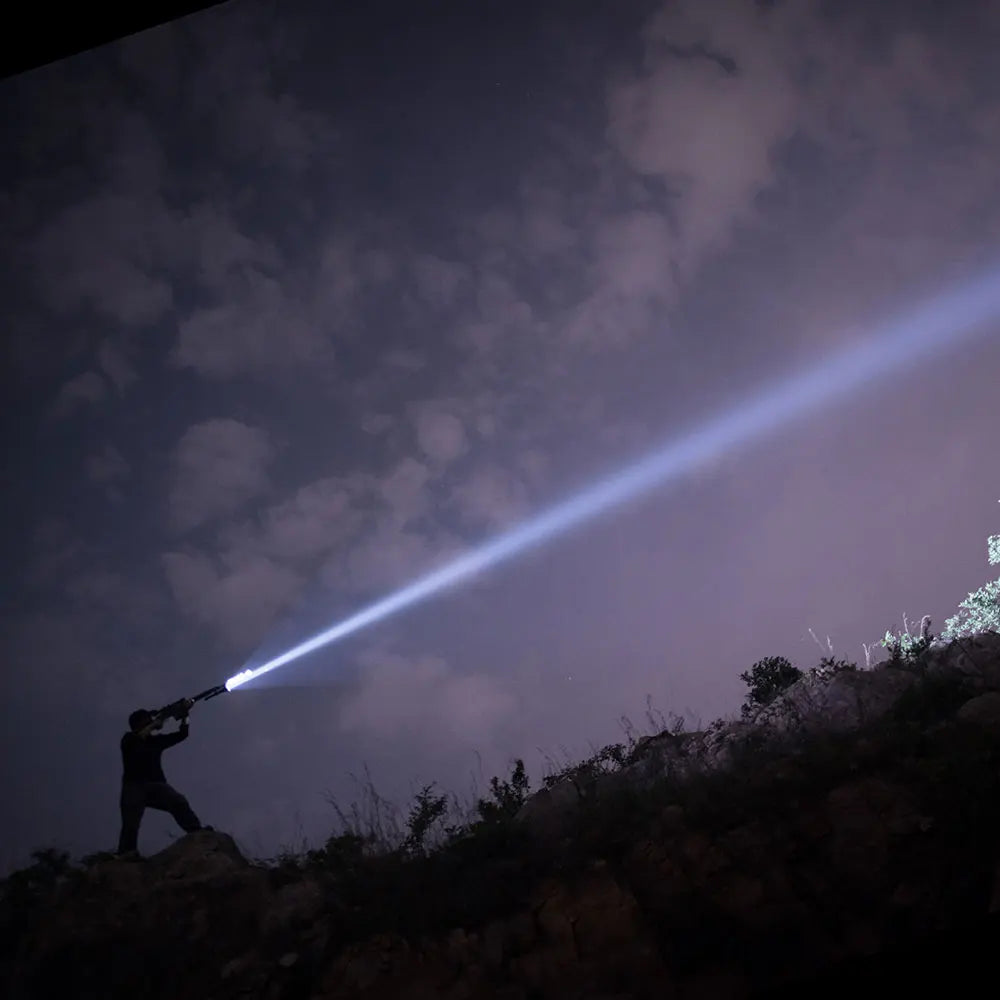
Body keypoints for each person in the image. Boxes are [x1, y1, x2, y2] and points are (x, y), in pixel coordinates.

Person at [116, 699, 206, 857]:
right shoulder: (128, 739)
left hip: (156, 785)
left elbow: (182, 735)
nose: (150, 720)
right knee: (131, 822)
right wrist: (156, 722)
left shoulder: (155, 741)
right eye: (146, 719)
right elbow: (138, 738)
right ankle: (126, 853)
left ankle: (196, 832)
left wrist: (185, 715)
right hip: (134, 786)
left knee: (179, 802)